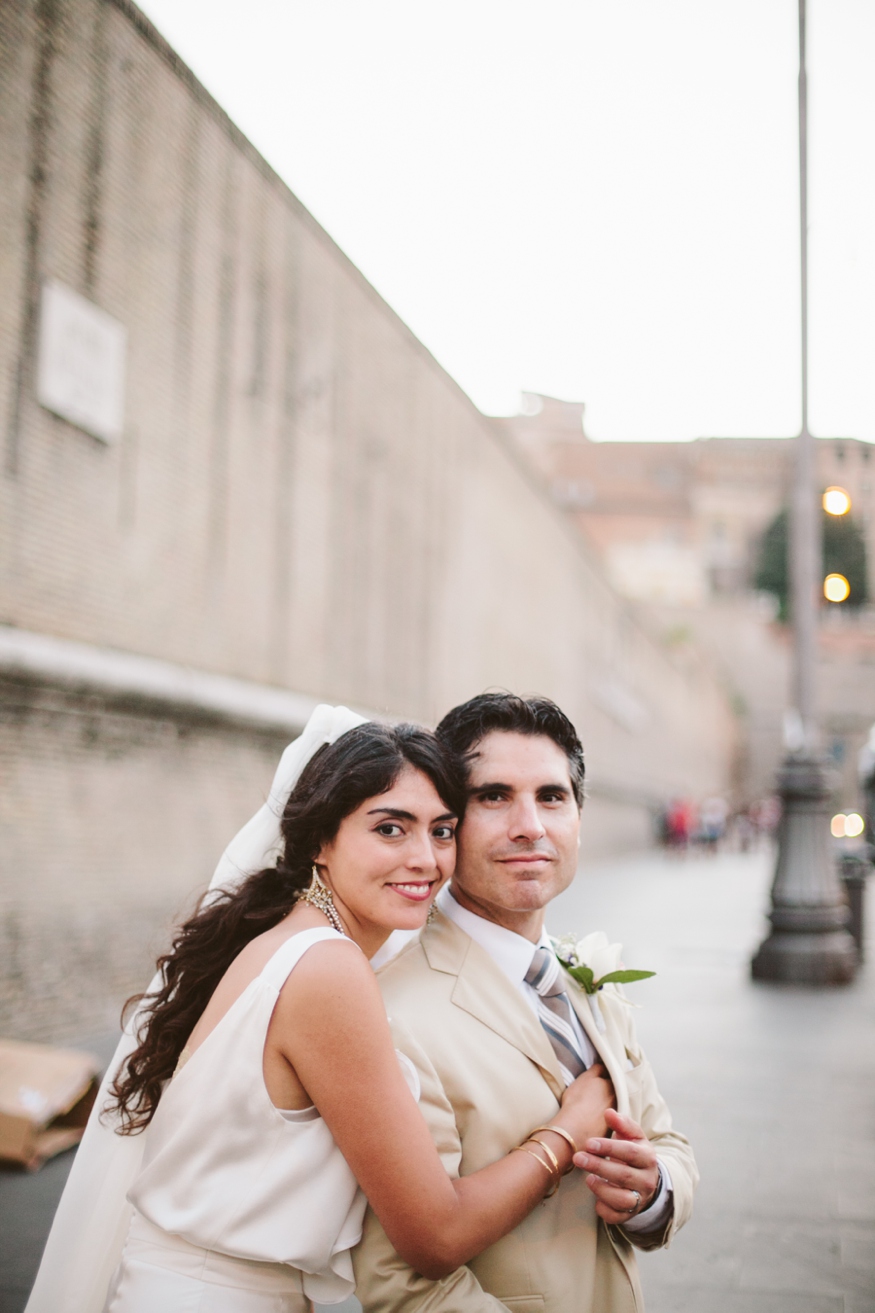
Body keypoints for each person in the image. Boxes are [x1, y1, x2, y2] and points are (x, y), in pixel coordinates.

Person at [26, 706, 613, 1313]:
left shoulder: (288, 944)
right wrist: (567, 1133)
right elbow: (436, 1236)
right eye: (390, 829)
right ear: (321, 842)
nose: (426, 859)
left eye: (441, 830)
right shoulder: (327, 969)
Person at [353, 693, 699, 1313]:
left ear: (578, 818)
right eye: (494, 796)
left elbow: (669, 1142)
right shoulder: (389, 1012)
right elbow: (400, 1284)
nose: (530, 826)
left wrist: (651, 1194)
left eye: (551, 796)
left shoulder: (592, 978)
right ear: (446, 821)